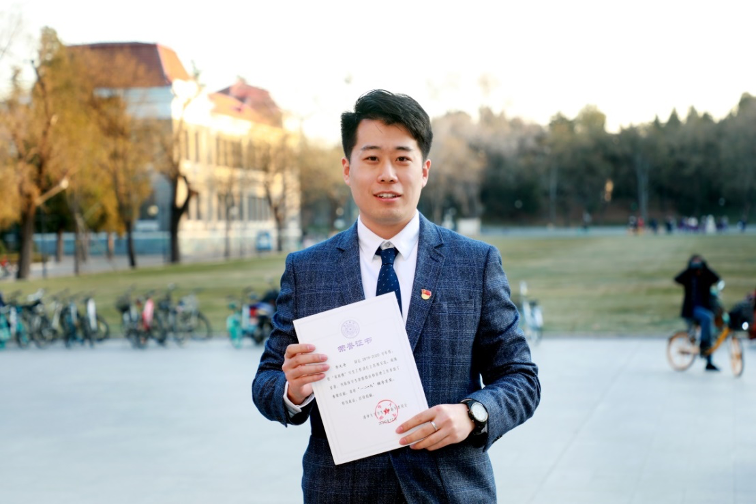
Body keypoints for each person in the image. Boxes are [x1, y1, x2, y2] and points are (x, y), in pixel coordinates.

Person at [252, 90, 541, 502]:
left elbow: (521, 378)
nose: (387, 174)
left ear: (424, 170)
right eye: (371, 158)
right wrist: (292, 390)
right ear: (347, 169)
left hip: (448, 492)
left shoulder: (474, 263)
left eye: (402, 158)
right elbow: (266, 380)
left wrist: (472, 414)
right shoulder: (307, 269)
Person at [674, 254, 721, 371]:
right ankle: (703, 343)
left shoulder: (705, 276)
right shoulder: (689, 277)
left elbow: (716, 278)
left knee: (710, 333)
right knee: (708, 318)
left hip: (704, 309)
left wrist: (705, 267)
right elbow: (677, 279)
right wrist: (690, 269)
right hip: (692, 310)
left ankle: (709, 361)